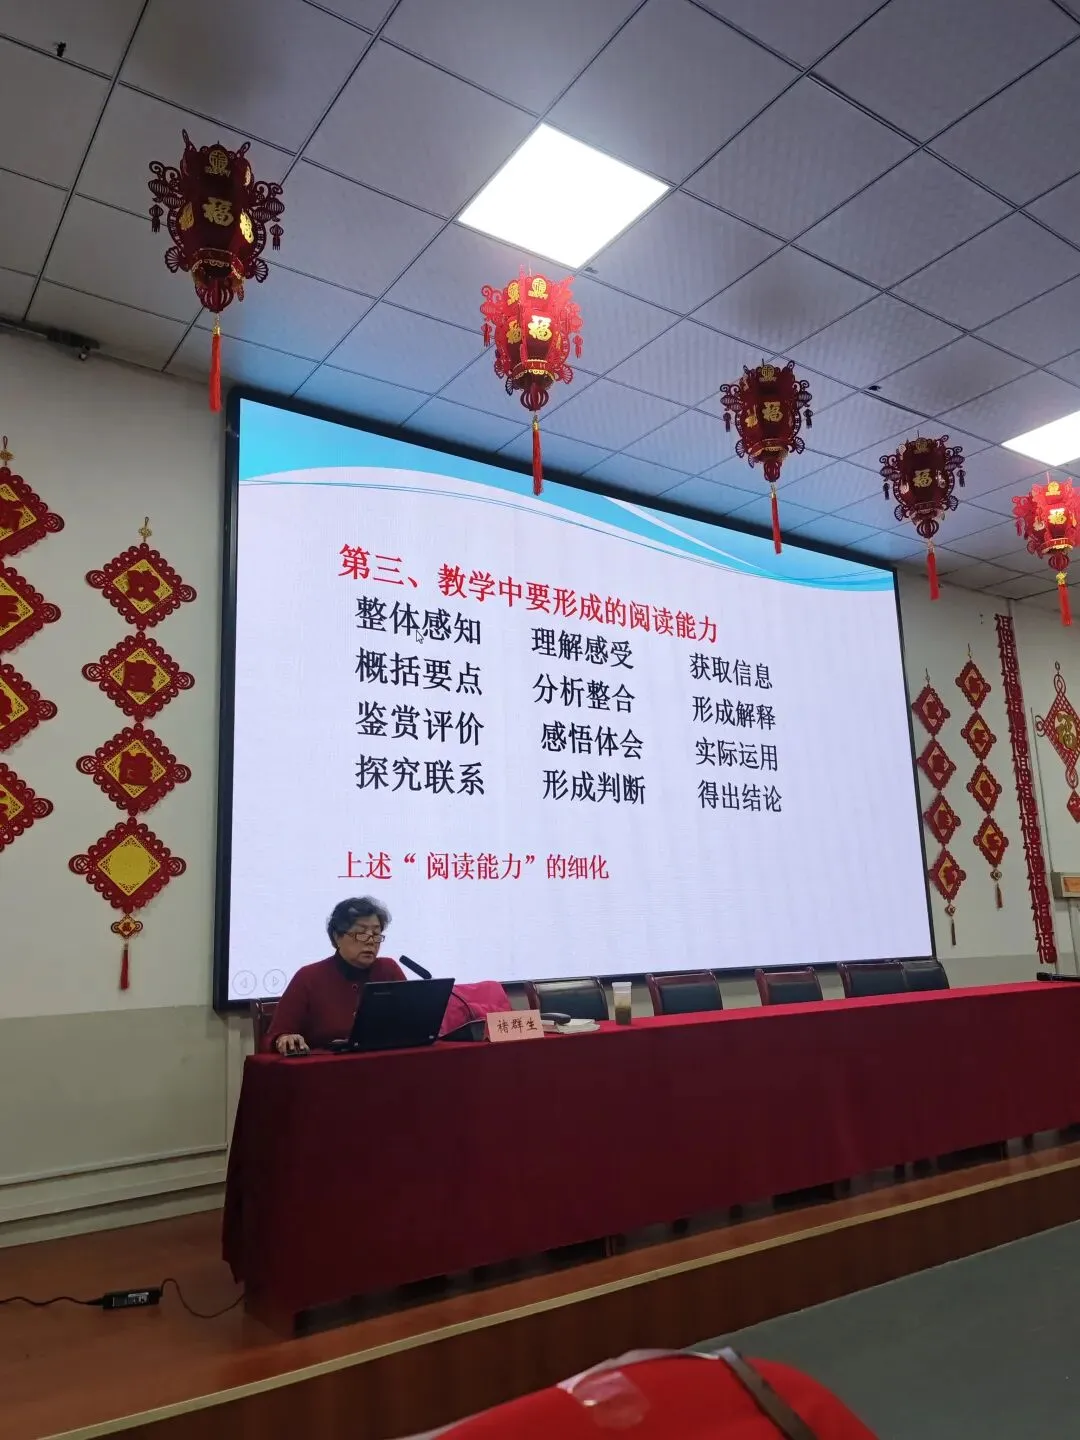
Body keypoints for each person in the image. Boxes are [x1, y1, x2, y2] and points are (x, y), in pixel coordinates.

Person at [266, 897, 405, 1055]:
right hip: (328, 1066)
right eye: (361, 933)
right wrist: (284, 1038)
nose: (370, 941)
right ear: (337, 937)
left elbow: (410, 1022)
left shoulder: (388, 970)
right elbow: (275, 1035)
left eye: (376, 933)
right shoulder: (309, 977)